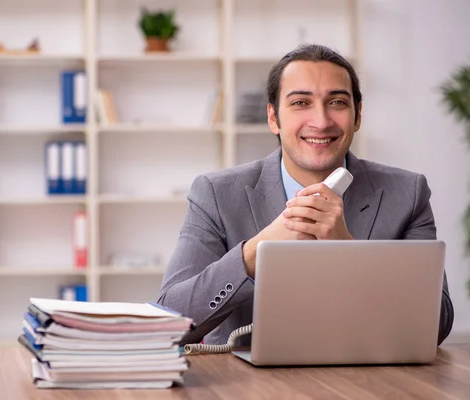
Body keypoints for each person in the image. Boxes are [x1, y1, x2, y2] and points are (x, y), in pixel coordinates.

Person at [156, 43, 454, 347]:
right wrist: (255, 252)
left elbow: (436, 325)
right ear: (273, 118)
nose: (321, 121)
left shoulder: (407, 193)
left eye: (337, 102)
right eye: (300, 103)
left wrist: (349, 253)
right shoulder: (216, 193)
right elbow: (166, 324)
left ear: (357, 115)